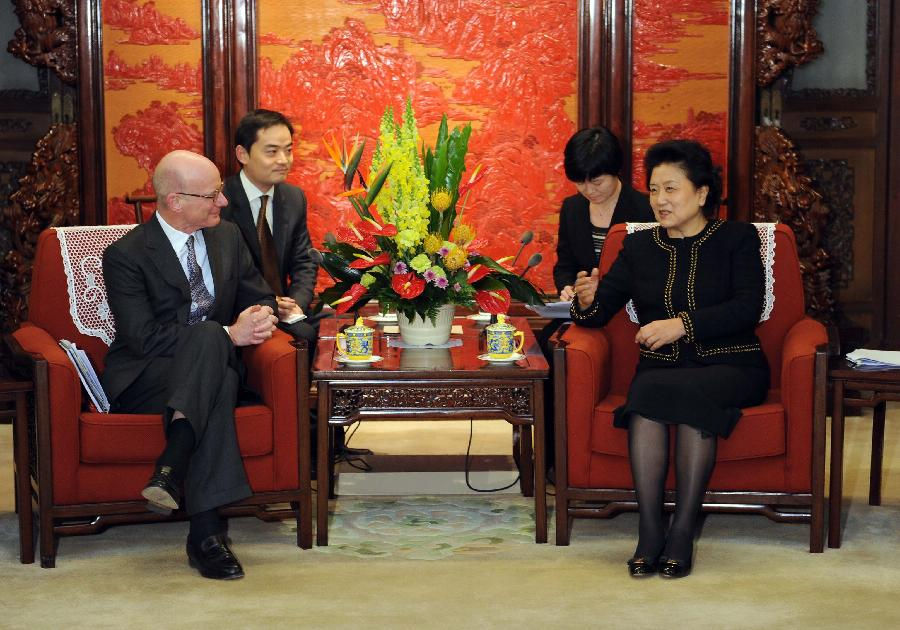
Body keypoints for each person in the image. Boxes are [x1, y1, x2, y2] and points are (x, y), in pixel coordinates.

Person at [570, 139, 769, 579]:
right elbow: (600, 309)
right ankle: (649, 531)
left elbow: (747, 307)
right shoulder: (640, 247)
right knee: (652, 390)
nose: (660, 200)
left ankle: (681, 533)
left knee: (671, 391)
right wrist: (585, 301)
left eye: (672, 189)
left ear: (701, 193)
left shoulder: (737, 238)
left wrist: (682, 324)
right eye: (655, 190)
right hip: (663, 368)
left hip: (732, 364)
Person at [101, 150, 279, 580]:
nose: (223, 202)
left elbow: (261, 296)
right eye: (212, 194)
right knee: (209, 344)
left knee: (209, 350)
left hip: (210, 370)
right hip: (147, 376)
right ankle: (205, 534)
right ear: (175, 200)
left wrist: (260, 316)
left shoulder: (228, 237)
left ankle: (171, 472)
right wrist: (226, 336)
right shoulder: (126, 254)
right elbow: (141, 337)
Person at [538, 126, 654, 474]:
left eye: (597, 181)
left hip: (629, 313)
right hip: (582, 311)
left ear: (615, 170)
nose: (589, 190)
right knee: (546, 349)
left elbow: (654, 272)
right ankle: (554, 459)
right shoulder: (572, 209)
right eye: (580, 182)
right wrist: (568, 287)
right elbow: (565, 264)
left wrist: (609, 285)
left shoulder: (645, 209)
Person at [221, 109, 317, 346]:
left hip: (288, 310)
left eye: (288, 150)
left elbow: (304, 262)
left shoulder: (294, 198)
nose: (284, 160)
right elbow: (224, 275)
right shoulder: (220, 201)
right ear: (242, 154)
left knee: (335, 330)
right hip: (240, 314)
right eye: (272, 152)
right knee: (305, 337)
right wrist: (269, 305)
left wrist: (295, 303)